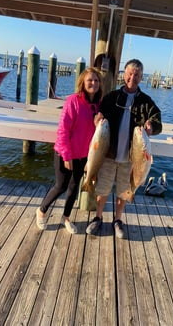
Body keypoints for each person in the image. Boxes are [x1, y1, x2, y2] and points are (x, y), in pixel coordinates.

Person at [86, 59, 162, 239]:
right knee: (102, 189)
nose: (132, 78)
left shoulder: (146, 101)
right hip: (109, 154)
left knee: (124, 190)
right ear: (124, 74)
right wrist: (97, 120)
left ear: (142, 77)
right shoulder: (112, 97)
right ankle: (98, 217)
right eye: (129, 73)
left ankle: (118, 220)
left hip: (131, 158)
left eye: (137, 75)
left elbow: (158, 122)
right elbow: (99, 114)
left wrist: (153, 128)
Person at [36, 67, 103, 233]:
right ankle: (41, 210)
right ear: (83, 82)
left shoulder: (98, 105)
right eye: (90, 80)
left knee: (74, 188)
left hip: (83, 155)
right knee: (60, 186)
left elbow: (98, 134)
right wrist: (66, 156)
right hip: (65, 153)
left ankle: (66, 218)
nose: (93, 83)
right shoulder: (73, 101)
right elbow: (63, 130)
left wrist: (97, 125)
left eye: (96, 80)